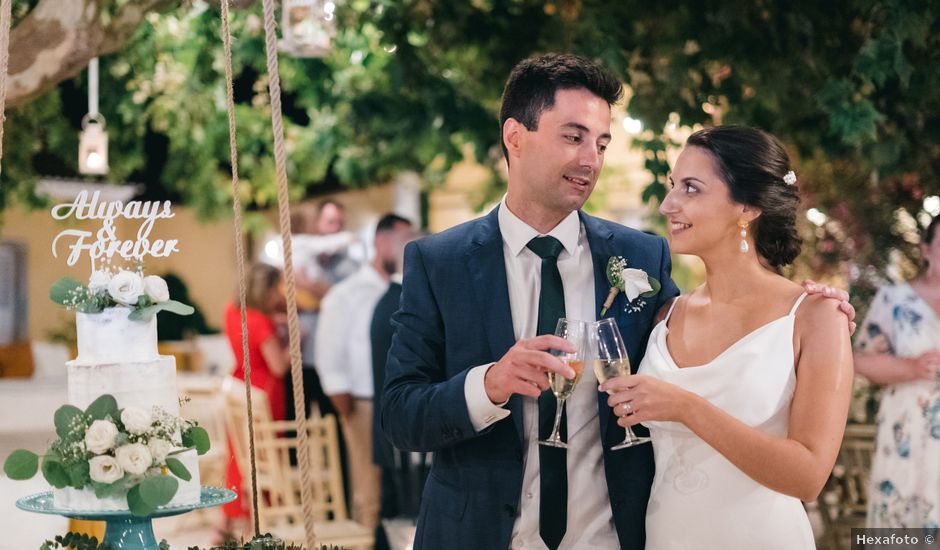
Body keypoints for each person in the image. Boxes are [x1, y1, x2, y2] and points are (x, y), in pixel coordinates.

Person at [382, 53, 680, 550]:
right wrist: (490, 384)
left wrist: (794, 309)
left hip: (606, 537)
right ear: (515, 137)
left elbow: (700, 341)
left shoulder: (641, 256)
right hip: (476, 536)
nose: (591, 159)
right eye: (573, 136)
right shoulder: (440, 262)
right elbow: (399, 415)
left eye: (601, 143)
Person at [602, 126, 854, 549]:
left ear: (748, 207)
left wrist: (686, 407)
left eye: (691, 189)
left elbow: (809, 477)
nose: (668, 204)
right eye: (672, 187)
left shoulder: (815, 316)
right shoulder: (666, 313)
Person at [316, 213, 414, 533]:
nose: (407, 248)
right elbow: (330, 359)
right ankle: (366, 536)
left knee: (404, 488)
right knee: (369, 486)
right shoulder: (347, 294)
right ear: (380, 242)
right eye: (401, 241)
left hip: (405, 400)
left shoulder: (412, 290)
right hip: (364, 403)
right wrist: (351, 411)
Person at [854, 216, 940, 528]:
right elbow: (858, 361)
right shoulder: (893, 301)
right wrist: (911, 367)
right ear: (926, 249)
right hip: (906, 430)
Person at [221, 262, 290, 526]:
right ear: (266, 289)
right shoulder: (260, 322)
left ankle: (230, 520)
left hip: (242, 383)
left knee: (240, 454)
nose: (279, 296)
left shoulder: (232, 311)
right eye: (277, 289)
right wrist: (296, 342)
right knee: (263, 458)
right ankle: (262, 516)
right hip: (264, 392)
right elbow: (278, 365)